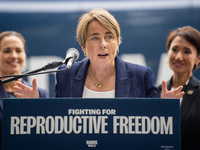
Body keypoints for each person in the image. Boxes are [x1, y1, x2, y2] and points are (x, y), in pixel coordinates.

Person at [13, 8, 184, 99]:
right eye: (95, 38)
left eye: (109, 37)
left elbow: (153, 125)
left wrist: (165, 108)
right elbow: (58, 123)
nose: (103, 44)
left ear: (118, 43)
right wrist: (34, 106)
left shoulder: (140, 75)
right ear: (83, 47)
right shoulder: (66, 75)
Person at [0, 31, 49, 149]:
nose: (14, 56)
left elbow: (46, 135)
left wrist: (33, 106)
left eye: (18, 50)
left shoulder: (40, 94)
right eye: (7, 51)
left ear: (25, 55)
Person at [157, 26, 200, 150]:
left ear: (198, 58)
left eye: (187, 51)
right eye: (174, 49)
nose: (178, 57)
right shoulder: (155, 93)